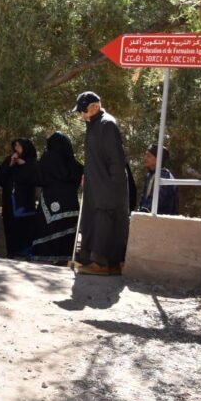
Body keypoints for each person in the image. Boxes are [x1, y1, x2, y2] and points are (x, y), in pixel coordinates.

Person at [72, 91, 130, 275]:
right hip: (96, 184)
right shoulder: (94, 124)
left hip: (107, 186)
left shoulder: (107, 124)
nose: (82, 115)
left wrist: (114, 187)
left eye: (84, 110)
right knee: (94, 221)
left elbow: (116, 159)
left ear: (95, 107)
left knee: (105, 222)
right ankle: (97, 262)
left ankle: (102, 265)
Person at [31, 132, 83, 264]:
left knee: (46, 229)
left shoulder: (48, 158)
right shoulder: (73, 163)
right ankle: (63, 259)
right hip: (70, 203)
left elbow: (38, 178)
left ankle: (46, 258)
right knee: (67, 232)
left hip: (50, 200)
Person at [0, 138, 38, 259]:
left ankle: (26, 252)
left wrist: (23, 164)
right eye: (15, 146)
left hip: (24, 201)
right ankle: (11, 251)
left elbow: (33, 179)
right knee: (10, 224)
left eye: (19, 146)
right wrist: (11, 164)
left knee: (24, 226)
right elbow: (0, 178)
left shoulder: (31, 162)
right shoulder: (9, 160)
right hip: (9, 200)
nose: (16, 149)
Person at [138, 144, 179, 215]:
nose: (145, 158)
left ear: (158, 159)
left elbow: (157, 201)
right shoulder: (149, 175)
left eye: (149, 156)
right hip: (148, 217)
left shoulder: (164, 176)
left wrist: (142, 213)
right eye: (145, 155)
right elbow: (143, 199)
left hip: (162, 219)